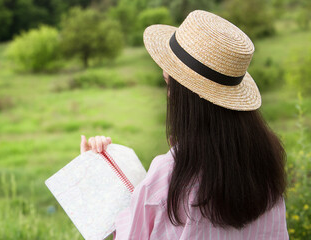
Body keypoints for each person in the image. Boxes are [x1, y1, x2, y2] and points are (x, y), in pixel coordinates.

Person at [80, 10, 289, 240]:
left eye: (169, 84)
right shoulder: (266, 167)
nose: (169, 96)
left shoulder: (169, 177)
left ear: (188, 98)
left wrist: (96, 177)